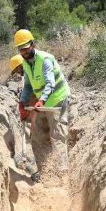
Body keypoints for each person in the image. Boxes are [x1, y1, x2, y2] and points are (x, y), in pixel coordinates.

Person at [13, 29, 72, 183]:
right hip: (42, 103)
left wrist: (42, 100)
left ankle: (62, 175)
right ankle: (45, 172)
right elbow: (28, 86)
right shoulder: (26, 63)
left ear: (33, 44)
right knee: (38, 136)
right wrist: (22, 102)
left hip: (57, 100)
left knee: (57, 136)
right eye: (21, 50)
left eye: (26, 48)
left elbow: (50, 83)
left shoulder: (45, 59)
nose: (24, 52)